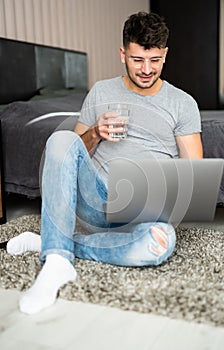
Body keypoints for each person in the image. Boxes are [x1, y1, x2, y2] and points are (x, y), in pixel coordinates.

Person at [6, 12, 203, 314]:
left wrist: (168, 204)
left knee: (157, 245)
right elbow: (70, 153)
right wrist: (96, 132)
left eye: (155, 60)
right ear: (122, 54)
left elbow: (194, 173)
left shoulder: (183, 103)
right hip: (96, 201)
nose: (147, 69)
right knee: (59, 139)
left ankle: (55, 243)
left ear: (165, 54)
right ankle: (57, 262)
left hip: (144, 209)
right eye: (138, 60)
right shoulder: (101, 91)